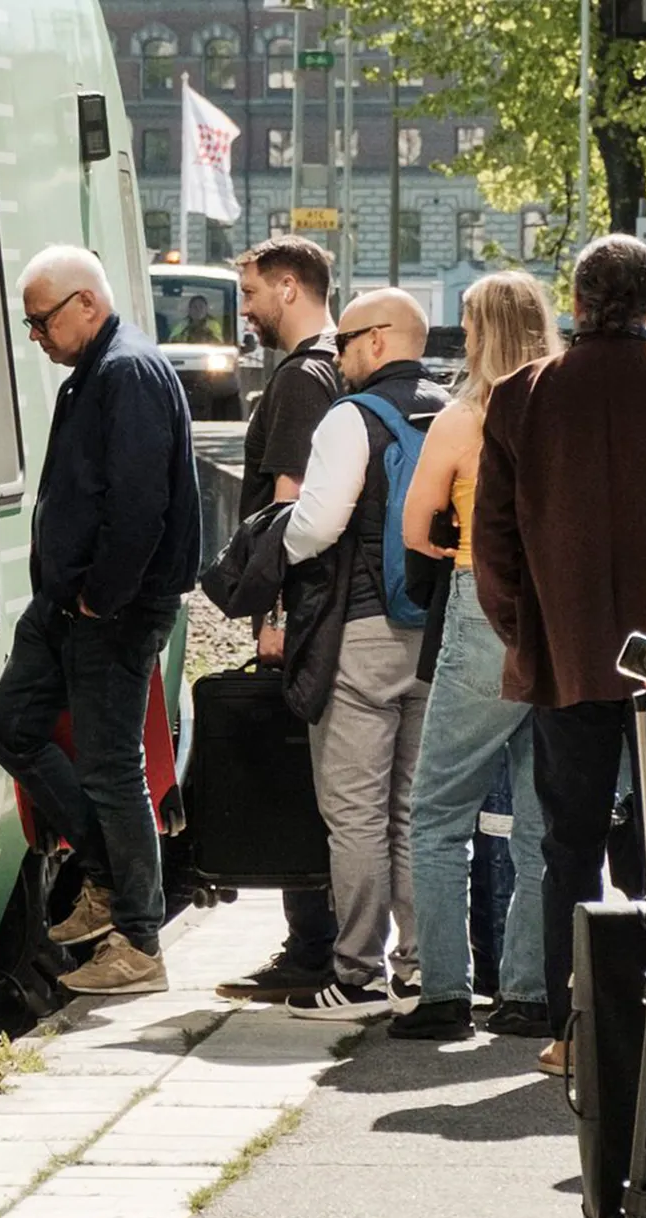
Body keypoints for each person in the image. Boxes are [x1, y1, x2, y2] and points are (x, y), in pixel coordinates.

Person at [472, 234, 646, 1074]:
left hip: (568, 648)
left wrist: (524, 630)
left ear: (576, 303)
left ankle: (570, 1026)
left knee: (567, 846)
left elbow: (495, 540)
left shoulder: (524, 394)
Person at [0, 246, 201, 995]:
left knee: (112, 768)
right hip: (68, 607)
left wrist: (101, 596)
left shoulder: (126, 373)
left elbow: (140, 508)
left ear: (85, 304)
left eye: (40, 321)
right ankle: (106, 879)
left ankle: (139, 941)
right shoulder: (99, 372)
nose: (35, 336)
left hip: (112, 609)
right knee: (7, 725)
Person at [389, 271, 562, 1041]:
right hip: (559, 620)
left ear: (480, 330)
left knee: (437, 815)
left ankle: (446, 997)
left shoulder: (465, 419)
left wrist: (456, 543)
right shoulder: (569, 410)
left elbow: (416, 527)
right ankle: (527, 995)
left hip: (481, 606)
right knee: (539, 821)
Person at [276, 288, 444, 1021]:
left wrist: (269, 538)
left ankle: (357, 972)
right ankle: (419, 969)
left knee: (354, 812)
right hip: (441, 634)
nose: (337, 358)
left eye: (342, 344)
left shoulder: (353, 418)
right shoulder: (454, 409)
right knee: (415, 809)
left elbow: (315, 527)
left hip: (367, 632)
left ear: (376, 342)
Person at [214, 235, 343, 1004]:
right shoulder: (331, 367)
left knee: (305, 774)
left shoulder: (300, 381)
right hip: (326, 601)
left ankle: (311, 950)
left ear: (290, 287)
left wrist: (273, 613)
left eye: (254, 295)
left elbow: (290, 503)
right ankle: (315, 943)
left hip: (301, 603)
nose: (248, 312)